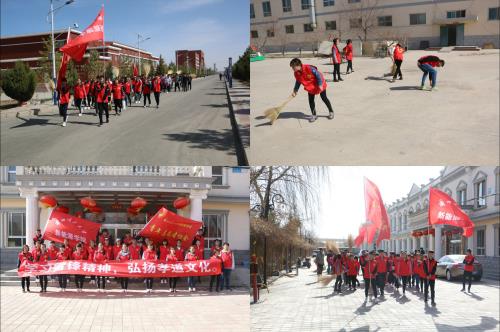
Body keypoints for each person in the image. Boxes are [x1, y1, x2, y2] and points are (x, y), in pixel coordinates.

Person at [290, 58, 334, 123]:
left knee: (324, 98)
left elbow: (318, 75)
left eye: (293, 67)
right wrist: (295, 90)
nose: (293, 69)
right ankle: (314, 115)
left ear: (298, 65)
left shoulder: (309, 68)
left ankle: (331, 111)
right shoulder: (296, 73)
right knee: (311, 101)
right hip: (310, 87)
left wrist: (320, 85)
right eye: (292, 67)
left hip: (320, 84)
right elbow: (298, 82)